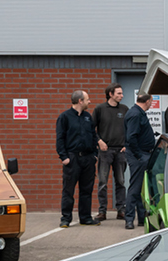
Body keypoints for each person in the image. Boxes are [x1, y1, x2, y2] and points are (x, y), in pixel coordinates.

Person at [55, 90, 100, 227]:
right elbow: (60, 138)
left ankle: (85, 217)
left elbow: (93, 136)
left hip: (88, 159)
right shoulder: (65, 117)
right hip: (72, 158)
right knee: (68, 190)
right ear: (80, 101)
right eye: (87, 99)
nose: (89, 102)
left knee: (86, 190)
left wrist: (94, 155)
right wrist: (64, 157)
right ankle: (66, 218)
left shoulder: (87, 117)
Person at [92, 85, 128, 221]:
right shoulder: (100, 109)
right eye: (119, 93)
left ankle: (121, 210)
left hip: (120, 151)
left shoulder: (124, 109)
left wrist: (127, 144)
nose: (121, 95)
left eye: (122, 93)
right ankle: (102, 211)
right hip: (105, 151)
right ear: (111, 94)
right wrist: (99, 141)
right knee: (102, 182)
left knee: (120, 181)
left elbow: (131, 128)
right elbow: (91, 128)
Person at [123, 90, 158, 230]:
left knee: (141, 188)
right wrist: (138, 155)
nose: (151, 104)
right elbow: (131, 137)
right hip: (139, 155)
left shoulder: (139, 113)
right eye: (151, 101)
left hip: (144, 154)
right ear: (148, 101)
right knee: (135, 187)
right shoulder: (135, 114)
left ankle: (142, 218)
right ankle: (129, 219)